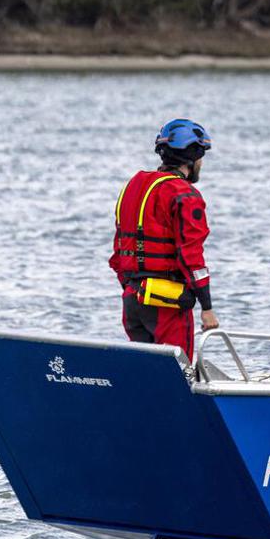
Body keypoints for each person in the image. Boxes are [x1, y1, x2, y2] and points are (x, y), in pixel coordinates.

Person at [110, 118, 217, 360]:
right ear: (192, 157)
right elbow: (191, 256)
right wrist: (207, 308)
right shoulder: (185, 195)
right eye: (201, 156)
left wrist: (131, 287)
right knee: (179, 370)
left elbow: (118, 251)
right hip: (166, 303)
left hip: (132, 300)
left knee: (146, 370)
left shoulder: (134, 185)